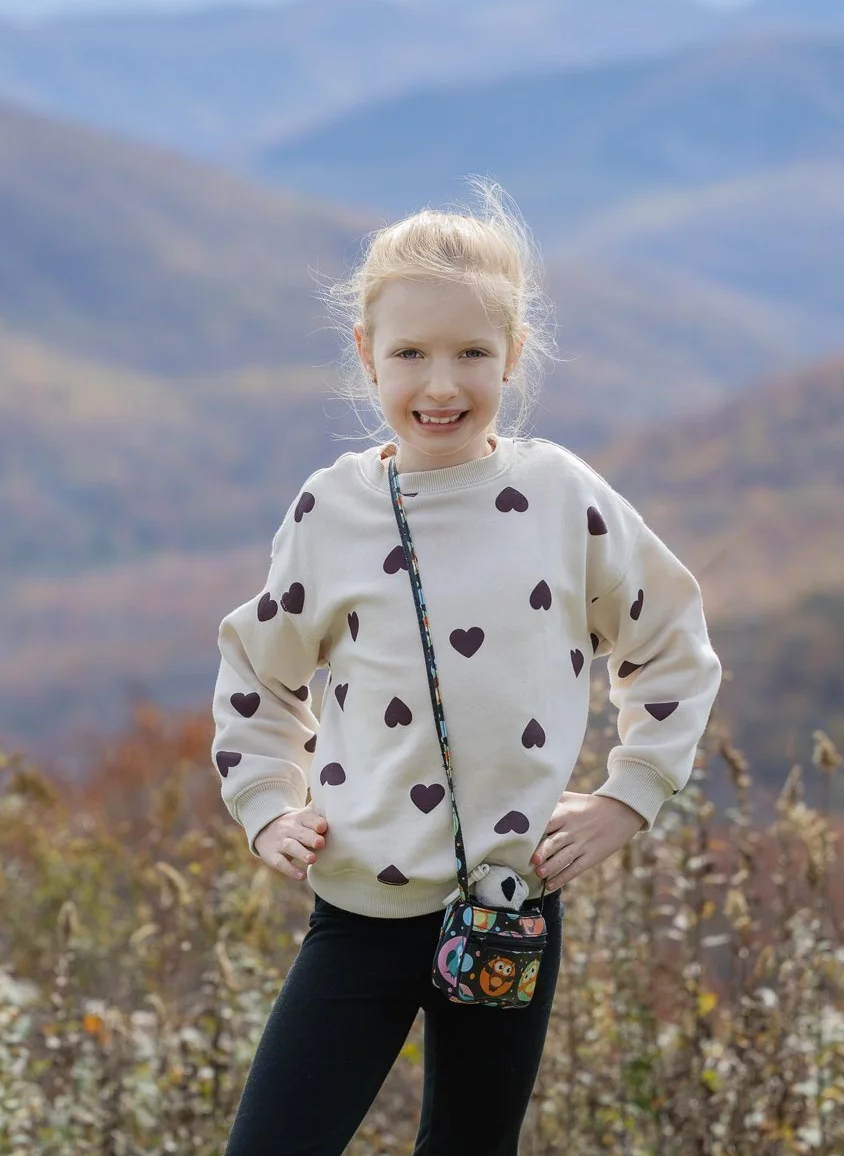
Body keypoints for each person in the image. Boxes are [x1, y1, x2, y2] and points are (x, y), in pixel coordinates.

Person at [210, 184, 723, 1155]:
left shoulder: (562, 499)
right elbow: (258, 669)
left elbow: (673, 644)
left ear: (513, 356)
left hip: (509, 907)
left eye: (471, 354)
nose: (439, 383)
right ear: (367, 356)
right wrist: (265, 802)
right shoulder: (334, 511)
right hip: (359, 905)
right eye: (409, 353)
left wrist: (630, 794)